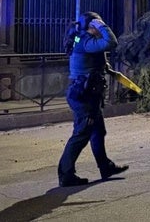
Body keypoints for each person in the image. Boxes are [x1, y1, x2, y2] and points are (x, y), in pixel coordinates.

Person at [57, 11, 129, 187]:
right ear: (92, 26)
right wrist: (101, 25)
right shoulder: (86, 41)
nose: (100, 26)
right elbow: (111, 42)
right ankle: (66, 175)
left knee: (97, 132)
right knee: (81, 135)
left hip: (85, 94)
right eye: (96, 24)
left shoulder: (80, 38)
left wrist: (106, 68)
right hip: (85, 96)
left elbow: (93, 58)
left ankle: (106, 167)